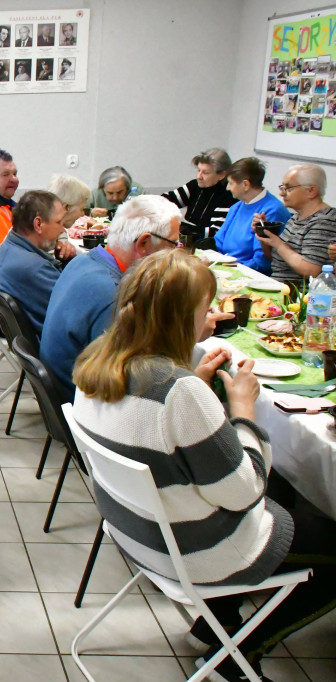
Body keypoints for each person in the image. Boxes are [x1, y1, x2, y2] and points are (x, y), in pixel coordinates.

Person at [72, 249, 336, 682]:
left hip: (134, 533)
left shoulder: (96, 362)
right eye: (204, 309)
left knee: (284, 494)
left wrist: (194, 388)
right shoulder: (178, 392)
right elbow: (244, 491)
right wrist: (242, 410)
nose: (212, 318)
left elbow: (157, 427)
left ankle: (217, 624)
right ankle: (238, 653)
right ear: (180, 319)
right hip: (192, 552)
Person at [41, 195, 183, 400]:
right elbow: (132, 382)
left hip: (61, 390)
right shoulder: (114, 294)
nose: (175, 252)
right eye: (173, 244)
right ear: (143, 243)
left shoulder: (84, 260)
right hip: (80, 403)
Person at [0, 190, 71, 335]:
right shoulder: (35, 268)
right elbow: (75, 311)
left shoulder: (8, 246)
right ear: (38, 224)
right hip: (54, 348)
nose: (62, 229)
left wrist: (63, 261)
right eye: (58, 222)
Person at [257, 164, 336, 292]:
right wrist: (264, 236)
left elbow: (311, 270)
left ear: (311, 191)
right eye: (282, 187)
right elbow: (277, 259)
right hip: (278, 287)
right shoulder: (296, 217)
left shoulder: (325, 221)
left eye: (288, 188)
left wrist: (279, 245)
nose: (281, 193)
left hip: (298, 298)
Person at [211, 157, 291, 274]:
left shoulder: (272, 210)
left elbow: (261, 263)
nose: (227, 188)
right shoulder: (236, 207)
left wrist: (226, 268)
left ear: (246, 184)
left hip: (248, 274)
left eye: (231, 183)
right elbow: (218, 242)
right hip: (228, 269)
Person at [162, 148, 237, 234]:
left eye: (205, 173)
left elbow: (216, 232)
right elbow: (166, 199)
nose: (199, 176)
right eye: (198, 170)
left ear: (222, 175)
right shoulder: (195, 185)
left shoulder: (229, 196)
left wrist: (182, 227)